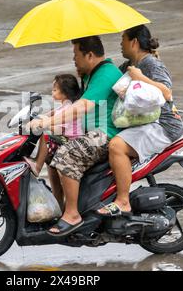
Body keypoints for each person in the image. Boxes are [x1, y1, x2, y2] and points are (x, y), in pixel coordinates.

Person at [29, 36, 123, 236]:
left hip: (105, 136)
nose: (74, 60)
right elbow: (72, 103)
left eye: (76, 55)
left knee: (66, 153)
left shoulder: (105, 74)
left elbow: (81, 107)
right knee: (51, 148)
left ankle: (72, 214)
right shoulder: (91, 74)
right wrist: (45, 117)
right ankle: (60, 205)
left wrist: (47, 123)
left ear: (89, 55)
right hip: (90, 133)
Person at [97, 25, 183, 217]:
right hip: (145, 123)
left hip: (163, 126)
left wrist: (141, 77)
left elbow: (167, 93)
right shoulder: (128, 65)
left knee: (117, 146)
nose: (120, 44)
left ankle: (123, 202)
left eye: (123, 39)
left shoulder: (151, 64)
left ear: (134, 42)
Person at [23, 74, 82, 210]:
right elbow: (52, 114)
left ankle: (37, 165)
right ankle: (58, 209)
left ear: (65, 93)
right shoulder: (64, 106)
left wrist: (44, 125)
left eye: (55, 90)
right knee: (54, 180)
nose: (52, 92)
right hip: (64, 141)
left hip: (71, 143)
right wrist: (39, 118)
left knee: (46, 135)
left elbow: (59, 129)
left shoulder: (68, 108)